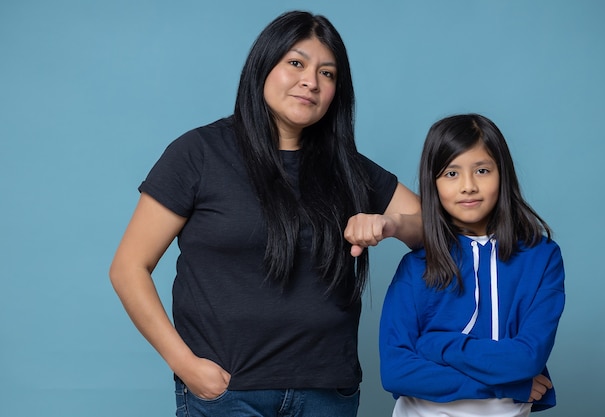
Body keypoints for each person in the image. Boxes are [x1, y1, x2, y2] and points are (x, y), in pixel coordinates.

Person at [109, 10, 422, 417]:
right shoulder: (199, 153)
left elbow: (437, 233)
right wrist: (185, 366)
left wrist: (392, 224)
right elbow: (129, 267)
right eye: (296, 63)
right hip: (228, 393)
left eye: (327, 74)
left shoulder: (349, 168)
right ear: (263, 66)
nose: (311, 81)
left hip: (328, 393)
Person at [379, 113, 565, 417]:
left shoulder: (542, 257)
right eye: (451, 174)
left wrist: (437, 344)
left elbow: (527, 360)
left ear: (502, 173)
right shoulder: (415, 267)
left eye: (481, 170)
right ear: (433, 183)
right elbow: (396, 372)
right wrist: (506, 385)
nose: (468, 186)